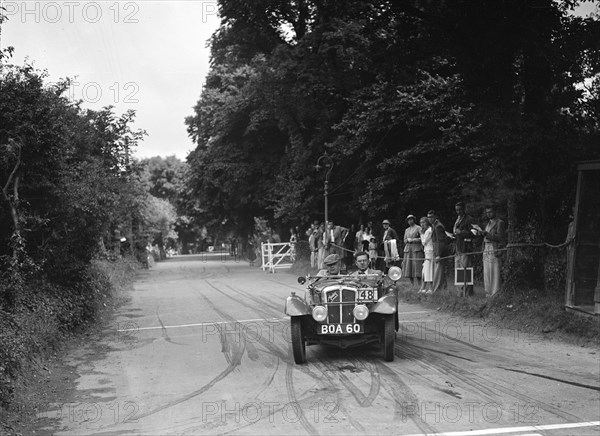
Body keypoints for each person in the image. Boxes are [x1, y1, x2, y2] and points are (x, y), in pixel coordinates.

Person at [480, 205, 506, 297]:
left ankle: (496, 292)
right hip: (486, 248)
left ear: (495, 211)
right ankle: (489, 291)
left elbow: (500, 237)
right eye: (487, 212)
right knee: (487, 271)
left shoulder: (499, 223)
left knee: (494, 270)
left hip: (494, 248)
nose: (488, 214)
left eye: (490, 212)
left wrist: (488, 234)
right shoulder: (488, 223)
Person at [453, 202, 475, 296]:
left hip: (465, 248)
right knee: (458, 269)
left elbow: (474, 232)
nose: (458, 212)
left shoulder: (469, 219)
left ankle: (467, 291)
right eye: (457, 210)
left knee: (466, 269)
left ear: (464, 209)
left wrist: (461, 232)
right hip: (458, 247)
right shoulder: (457, 219)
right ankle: (460, 291)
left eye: (460, 210)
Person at [428, 210, 448, 292]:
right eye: (429, 217)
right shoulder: (434, 225)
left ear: (435, 217)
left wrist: (438, 254)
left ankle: (436, 290)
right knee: (439, 271)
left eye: (431, 217)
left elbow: (440, 241)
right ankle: (443, 288)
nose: (430, 219)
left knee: (438, 271)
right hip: (435, 249)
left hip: (439, 251)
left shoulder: (438, 226)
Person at [401, 214, 424, 288]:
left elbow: (423, 238)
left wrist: (413, 240)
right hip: (408, 250)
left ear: (414, 220)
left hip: (416, 249)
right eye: (408, 220)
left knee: (417, 266)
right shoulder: (406, 230)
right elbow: (404, 240)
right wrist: (407, 240)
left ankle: (420, 284)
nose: (410, 221)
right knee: (409, 267)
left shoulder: (418, 228)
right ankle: (412, 285)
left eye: (411, 219)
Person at [419, 217, 434, 293]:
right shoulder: (426, 231)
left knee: (428, 269)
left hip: (430, 251)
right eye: (421, 223)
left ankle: (430, 288)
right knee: (425, 269)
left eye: (423, 222)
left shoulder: (429, 231)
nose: (422, 224)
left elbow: (424, 242)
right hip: (426, 251)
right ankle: (423, 287)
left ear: (427, 222)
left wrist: (421, 234)